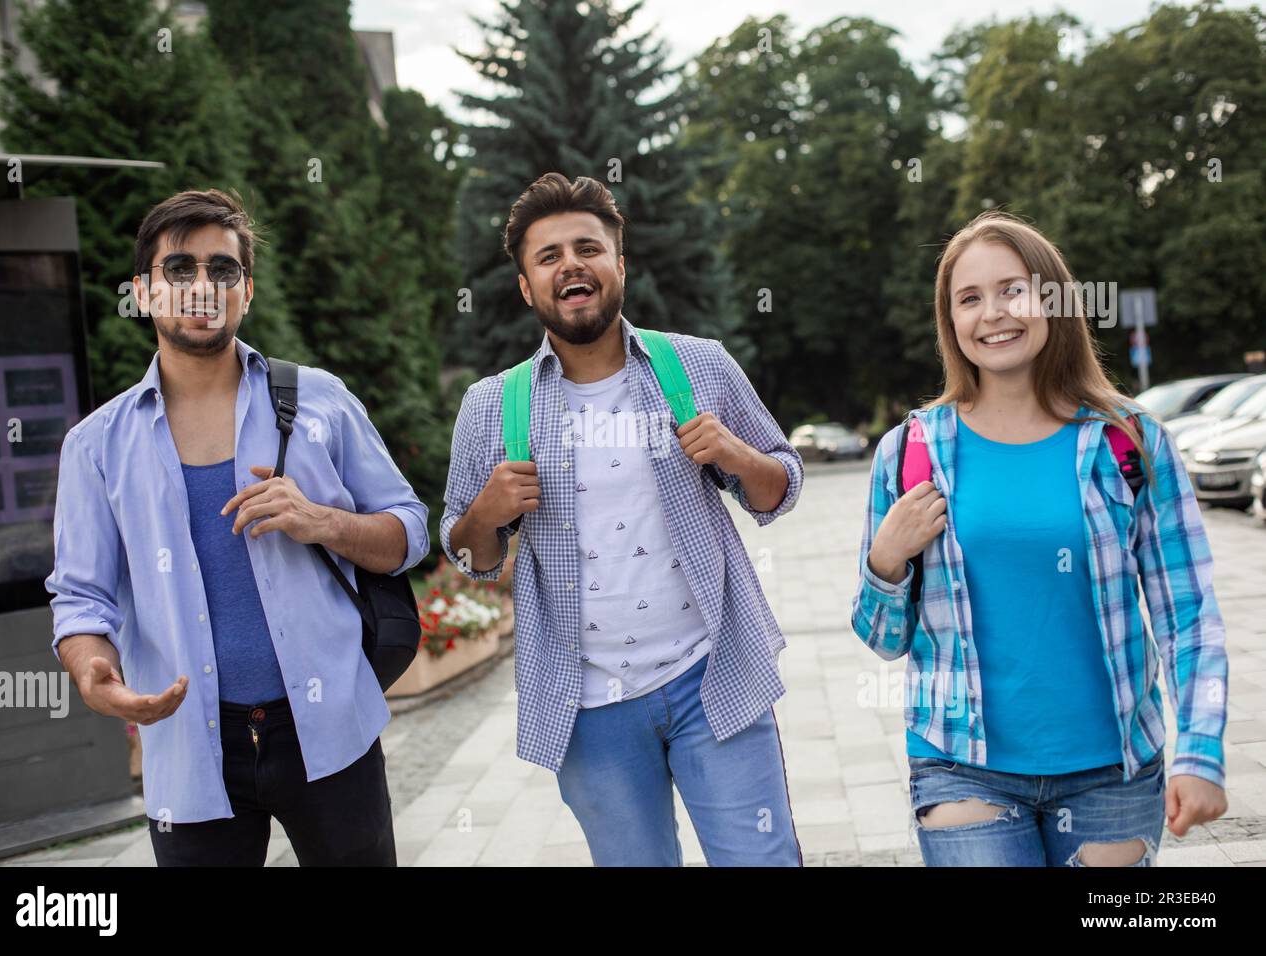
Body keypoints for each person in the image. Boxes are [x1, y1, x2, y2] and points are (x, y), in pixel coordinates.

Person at [45, 189, 429, 866]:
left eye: (222, 270)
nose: (202, 287)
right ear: (142, 291)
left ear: (244, 292)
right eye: (180, 269)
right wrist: (92, 670)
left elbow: (410, 534)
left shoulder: (319, 401)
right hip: (189, 746)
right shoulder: (95, 446)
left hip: (329, 728)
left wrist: (326, 522)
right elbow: (81, 598)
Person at [441, 173, 804, 866]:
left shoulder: (698, 365)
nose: (570, 265)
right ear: (526, 287)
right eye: (548, 257)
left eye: (588, 247)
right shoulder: (492, 406)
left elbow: (779, 490)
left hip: (714, 677)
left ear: (619, 266)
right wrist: (484, 516)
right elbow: (470, 552)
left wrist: (734, 452)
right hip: (589, 708)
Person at [852, 210, 1229, 866]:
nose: (993, 312)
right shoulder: (910, 451)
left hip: (1112, 769)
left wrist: (1201, 751)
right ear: (951, 321)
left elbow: (1188, 616)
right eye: (969, 298)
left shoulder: (1127, 441)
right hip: (961, 764)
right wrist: (886, 559)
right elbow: (884, 640)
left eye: (1013, 289)